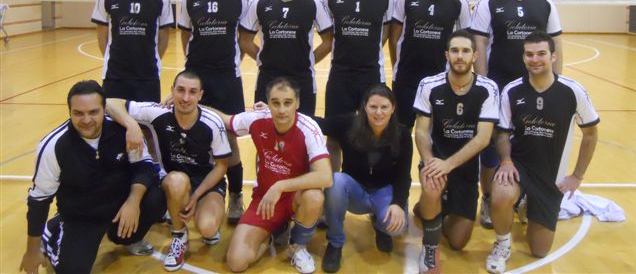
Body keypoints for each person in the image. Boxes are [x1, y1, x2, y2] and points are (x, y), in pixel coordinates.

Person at [19, 80, 165, 274]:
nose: (86, 120)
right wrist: (32, 251)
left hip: (120, 206)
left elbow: (145, 167)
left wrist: (133, 201)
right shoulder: (54, 146)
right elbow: (39, 200)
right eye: (78, 113)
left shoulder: (123, 131)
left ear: (105, 110)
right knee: (73, 270)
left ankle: (127, 237)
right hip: (82, 217)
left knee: (158, 196)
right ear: (70, 112)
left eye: (93, 112)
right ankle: (53, 231)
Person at [485, 31, 598, 274]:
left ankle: (526, 204)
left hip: (550, 176)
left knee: (540, 250)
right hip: (519, 167)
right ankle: (502, 244)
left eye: (541, 54)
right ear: (523, 57)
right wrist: (506, 161)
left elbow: (590, 134)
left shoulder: (572, 91)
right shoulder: (512, 90)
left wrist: (577, 176)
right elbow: (502, 133)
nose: (535, 59)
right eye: (529, 54)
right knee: (501, 193)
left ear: (553, 57)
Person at [470, 0, 563, 228]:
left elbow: (555, 44)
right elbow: (479, 42)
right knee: (490, 148)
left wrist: (556, 84)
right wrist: (485, 85)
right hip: (498, 86)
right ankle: (489, 198)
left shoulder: (544, 4)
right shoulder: (489, 2)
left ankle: (525, 196)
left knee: (531, 144)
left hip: (534, 89)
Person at [106, 70, 232, 271]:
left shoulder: (212, 122)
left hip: (206, 182)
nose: (185, 98)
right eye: (180, 90)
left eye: (192, 92)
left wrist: (196, 196)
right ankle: (179, 235)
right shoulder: (158, 112)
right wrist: (132, 125)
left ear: (200, 95)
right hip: (172, 180)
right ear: (172, 90)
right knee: (177, 181)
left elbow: (221, 166)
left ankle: (191, 209)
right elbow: (110, 102)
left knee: (208, 229)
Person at [222, 77, 333, 274]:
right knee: (236, 262)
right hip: (266, 199)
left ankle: (297, 246)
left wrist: (280, 186)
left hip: (295, 197)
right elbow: (224, 120)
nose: (282, 110)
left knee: (315, 196)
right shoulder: (258, 119)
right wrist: (185, 104)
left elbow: (325, 176)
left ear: (297, 103)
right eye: (276, 103)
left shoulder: (308, 127)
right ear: (268, 103)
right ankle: (273, 233)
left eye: (287, 103)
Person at [413, 30, 499, 274]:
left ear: (475, 56)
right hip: (435, 163)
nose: (459, 56)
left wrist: (448, 165)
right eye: (454, 51)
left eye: (465, 51)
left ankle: (432, 209)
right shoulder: (429, 85)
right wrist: (430, 162)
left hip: (465, 170)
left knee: (458, 242)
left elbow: (483, 138)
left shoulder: (488, 88)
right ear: (446, 55)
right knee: (432, 186)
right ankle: (430, 247)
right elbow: (421, 131)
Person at [178, 0, 249, 225]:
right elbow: (185, 35)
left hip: (227, 77)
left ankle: (236, 195)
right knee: (193, 134)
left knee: (230, 137)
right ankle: (195, 190)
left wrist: (232, 63)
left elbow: (244, 37)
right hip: (197, 77)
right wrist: (193, 68)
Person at [315, 84, 412, 273]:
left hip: (384, 191)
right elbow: (318, 123)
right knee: (336, 181)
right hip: (355, 192)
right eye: (373, 107)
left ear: (393, 108)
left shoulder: (402, 135)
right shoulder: (348, 124)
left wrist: (398, 204)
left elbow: (403, 175)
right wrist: (276, 111)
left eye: (384, 107)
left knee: (397, 228)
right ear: (364, 107)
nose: (378, 112)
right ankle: (335, 242)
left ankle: (380, 226)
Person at [321, 0, 394, 170]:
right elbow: (328, 34)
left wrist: (370, 47)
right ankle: (332, 187)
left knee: (374, 134)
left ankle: (369, 183)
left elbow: (387, 30)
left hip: (371, 76)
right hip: (340, 76)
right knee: (334, 137)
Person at [239, 0, 333, 116]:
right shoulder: (260, 2)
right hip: (268, 78)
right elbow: (244, 40)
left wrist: (310, 60)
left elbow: (329, 40)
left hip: (302, 79)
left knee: (302, 128)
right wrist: (261, 58)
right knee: (265, 128)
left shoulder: (312, 3)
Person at [389, 0, 471, 130]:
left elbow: (466, 43)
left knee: (438, 132)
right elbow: (394, 38)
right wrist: (396, 67)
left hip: (441, 79)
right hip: (406, 78)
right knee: (401, 132)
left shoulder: (460, 2)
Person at [91, 0, 174, 102]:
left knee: (146, 118)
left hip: (148, 77)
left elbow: (163, 39)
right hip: (114, 76)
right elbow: (102, 38)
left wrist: (149, 61)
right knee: (113, 118)